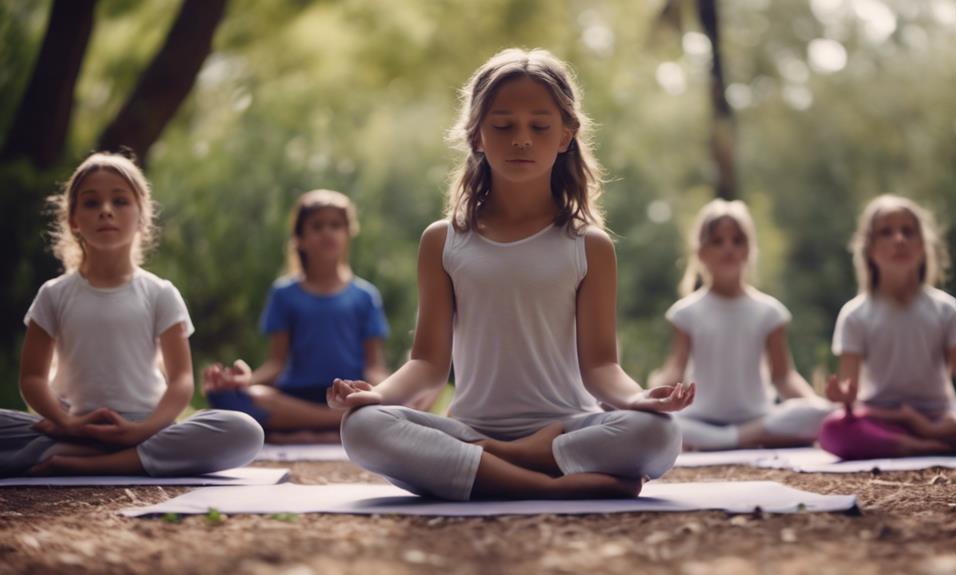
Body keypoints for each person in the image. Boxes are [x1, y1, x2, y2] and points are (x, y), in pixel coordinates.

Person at [328, 48, 695, 502]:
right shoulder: (442, 240)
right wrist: (376, 396)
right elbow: (428, 365)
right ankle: (550, 484)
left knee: (657, 434)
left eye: (539, 126)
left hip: (567, 426)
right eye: (503, 126)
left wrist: (641, 399)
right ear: (477, 136)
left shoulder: (589, 244)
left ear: (566, 135)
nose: (522, 138)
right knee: (362, 427)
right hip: (469, 428)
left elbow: (601, 366)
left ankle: (492, 466)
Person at [0, 152, 263, 477]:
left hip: (147, 426)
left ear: (141, 216)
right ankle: (95, 450)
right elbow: (32, 378)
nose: (106, 211)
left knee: (243, 430)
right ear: (72, 219)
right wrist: (67, 423)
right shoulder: (53, 294)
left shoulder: (160, 293)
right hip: (70, 426)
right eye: (92, 203)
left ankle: (98, 461)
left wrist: (145, 429)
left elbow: (181, 379)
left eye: (120, 201)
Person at [203, 189, 429, 444]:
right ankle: (341, 424)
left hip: (349, 394)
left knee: (414, 398)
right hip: (294, 398)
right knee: (231, 398)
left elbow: (373, 366)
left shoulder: (365, 296)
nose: (328, 233)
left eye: (336, 225)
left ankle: (315, 427)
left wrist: (395, 393)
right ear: (300, 238)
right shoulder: (283, 294)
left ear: (348, 234)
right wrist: (242, 382)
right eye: (317, 226)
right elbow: (276, 363)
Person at [820, 194, 956, 459]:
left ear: (922, 245)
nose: (899, 239)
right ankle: (922, 444)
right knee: (833, 429)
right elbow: (852, 396)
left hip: (943, 419)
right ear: (869, 249)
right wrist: (844, 398)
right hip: (884, 419)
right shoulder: (854, 315)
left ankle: (923, 440)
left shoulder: (946, 308)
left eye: (908, 231)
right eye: (886, 232)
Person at [650, 199, 833, 451]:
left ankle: (723, 441)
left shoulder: (769, 312)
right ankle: (739, 440)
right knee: (656, 423)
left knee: (820, 412)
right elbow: (675, 371)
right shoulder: (686, 313)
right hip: (701, 419)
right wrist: (650, 398)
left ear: (749, 250)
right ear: (702, 252)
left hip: (758, 418)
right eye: (718, 241)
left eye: (737, 240)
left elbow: (783, 376)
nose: (729, 248)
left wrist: (816, 407)